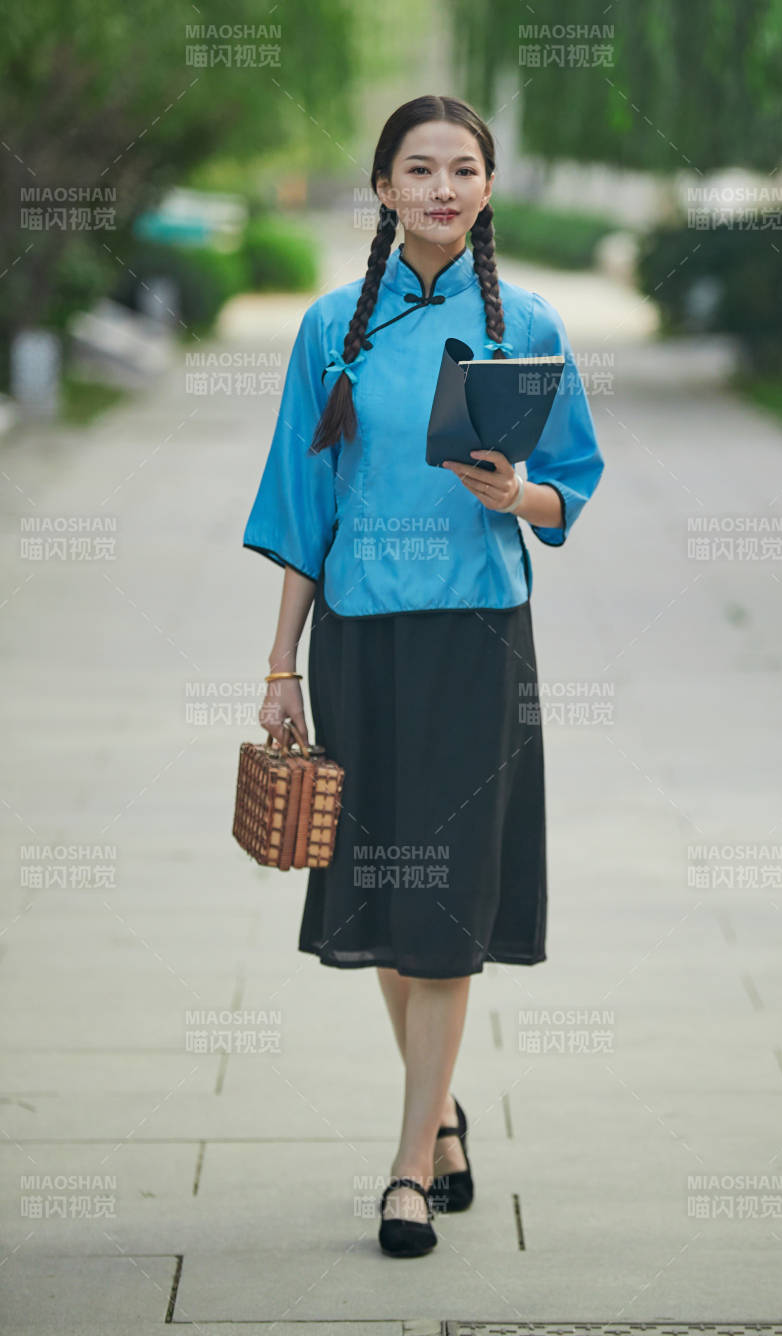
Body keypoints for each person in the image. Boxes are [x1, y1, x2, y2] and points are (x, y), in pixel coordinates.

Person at [241, 94, 605, 1257]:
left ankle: (405, 1168)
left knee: (446, 900)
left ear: (486, 187)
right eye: (419, 169)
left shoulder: (530, 320)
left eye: (463, 168)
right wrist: (280, 663)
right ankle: (440, 1110)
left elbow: (573, 484)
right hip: (360, 640)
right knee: (389, 903)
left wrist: (519, 495)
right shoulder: (329, 331)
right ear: (384, 188)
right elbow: (303, 509)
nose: (442, 187)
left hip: (476, 644)